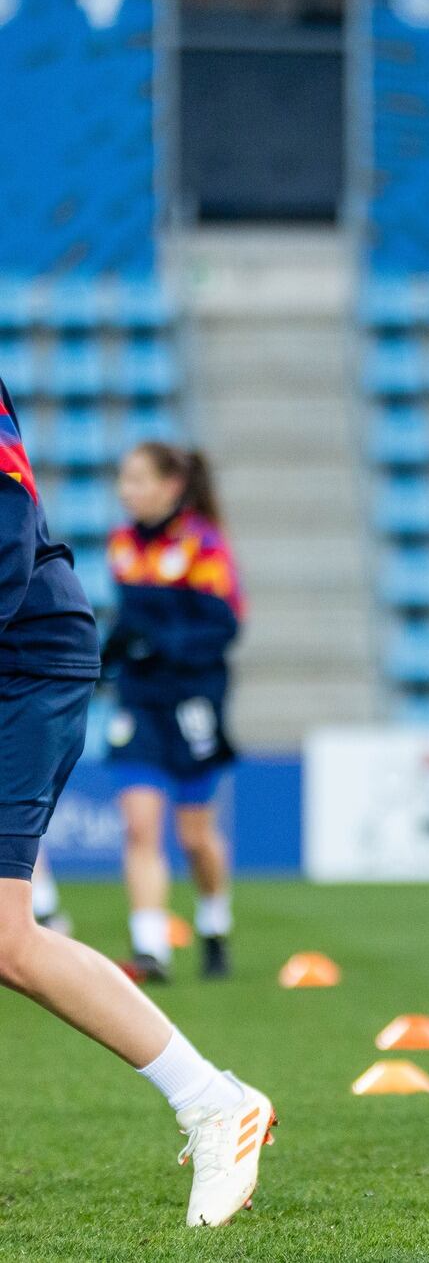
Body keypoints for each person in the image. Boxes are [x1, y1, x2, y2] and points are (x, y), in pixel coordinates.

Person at [0, 392, 273, 1224]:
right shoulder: (126, 544)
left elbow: (9, 546)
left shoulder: (199, 545)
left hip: (26, 669)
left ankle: (213, 1100)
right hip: (91, 677)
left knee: (9, 935)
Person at [101, 444, 245, 982]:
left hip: (193, 702)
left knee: (194, 837)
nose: (125, 490)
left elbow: (224, 628)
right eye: (123, 478)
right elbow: (129, 625)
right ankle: (150, 949)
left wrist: (161, 646)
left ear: (171, 486)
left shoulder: (204, 546)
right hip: (139, 703)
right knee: (140, 828)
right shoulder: (121, 544)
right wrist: (106, 657)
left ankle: (213, 922)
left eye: (137, 479)